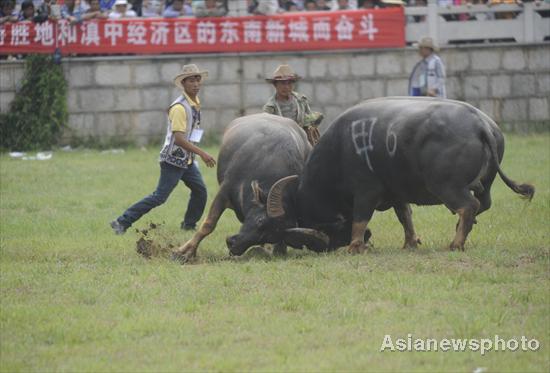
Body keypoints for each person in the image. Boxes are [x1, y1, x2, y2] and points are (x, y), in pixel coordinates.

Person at [110, 64, 216, 235]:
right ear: (183, 83)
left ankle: (188, 225)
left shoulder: (194, 104)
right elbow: (179, 139)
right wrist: (202, 153)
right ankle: (121, 222)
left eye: (198, 79)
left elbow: (191, 134)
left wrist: (194, 154)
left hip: (186, 160)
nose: (196, 84)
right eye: (191, 80)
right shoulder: (179, 108)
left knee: (200, 191)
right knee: (159, 197)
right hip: (173, 160)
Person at [263, 64, 324, 146]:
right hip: (280, 142)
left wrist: (312, 119)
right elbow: (267, 130)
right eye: (283, 84)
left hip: (302, 139)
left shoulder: (301, 100)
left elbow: (308, 116)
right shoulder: (270, 107)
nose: (286, 87)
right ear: (275, 85)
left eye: (289, 83)